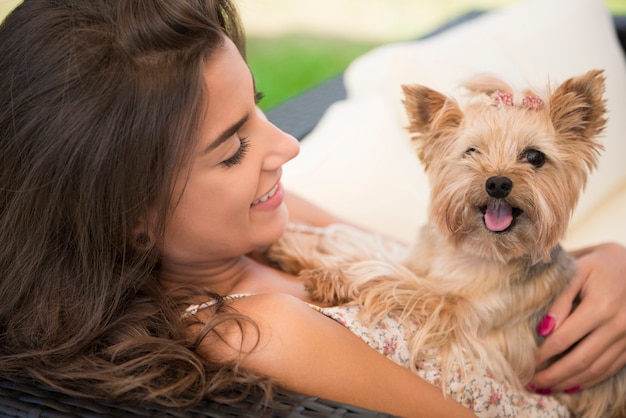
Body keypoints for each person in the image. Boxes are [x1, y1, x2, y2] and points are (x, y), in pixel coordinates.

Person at [0, 1, 623, 417]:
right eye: (234, 147)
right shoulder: (259, 330)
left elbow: (470, 266)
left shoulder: (258, 223)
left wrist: (605, 264)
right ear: (129, 218)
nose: (288, 145)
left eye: (260, 105)